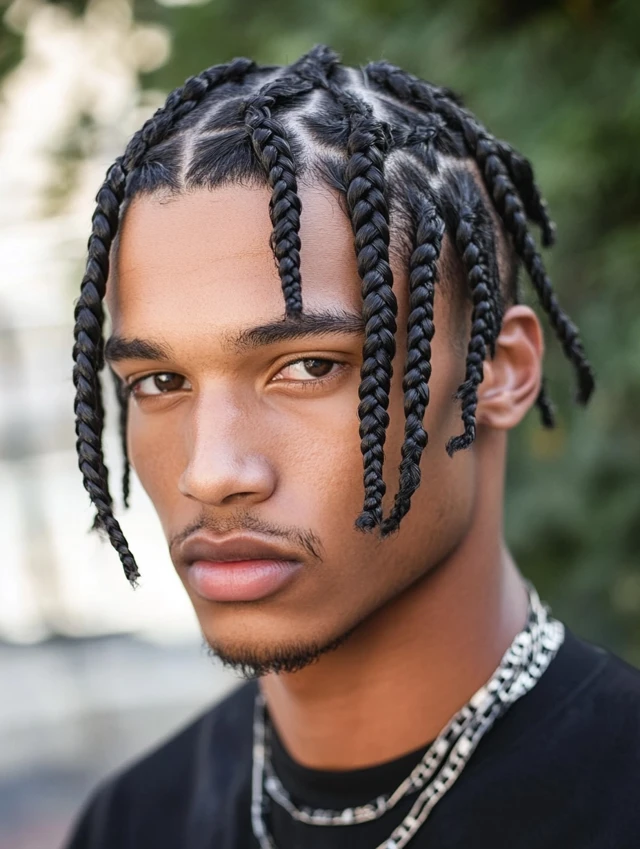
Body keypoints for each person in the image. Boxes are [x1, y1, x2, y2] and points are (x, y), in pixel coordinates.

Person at [64, 44, 640, 849]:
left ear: (498, 373)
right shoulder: (132, 823)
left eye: (306, 366)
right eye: (158, 382)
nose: (212, 471)